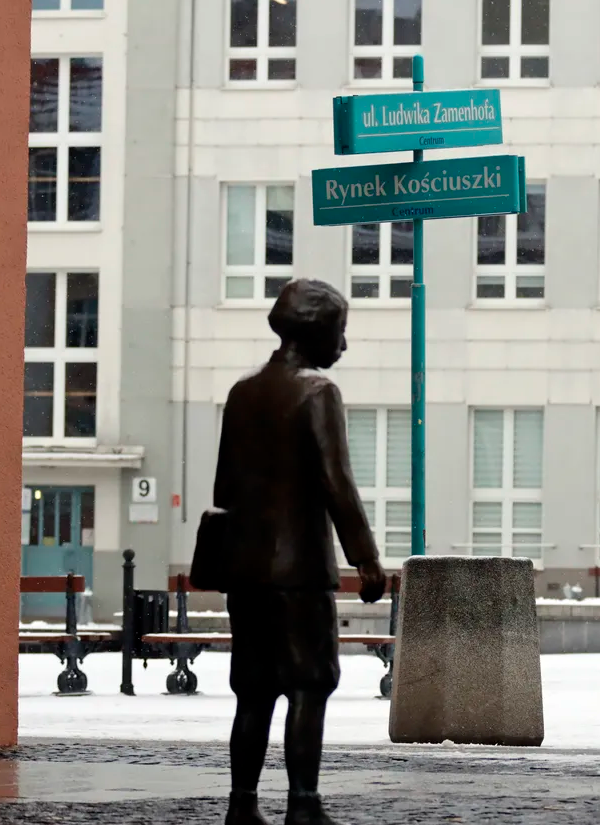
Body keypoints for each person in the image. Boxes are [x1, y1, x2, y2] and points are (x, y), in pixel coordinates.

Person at [215, 278, 386, 825]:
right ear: (316, 333)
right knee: (309, 684)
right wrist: (365, 557)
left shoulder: (243, 393)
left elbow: (223, 488)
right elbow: (337, 481)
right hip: (299, 571)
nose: (344, 344)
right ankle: (303, 805)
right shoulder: (317, 392)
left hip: (247, 569)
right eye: (341, 331)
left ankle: (241, 805)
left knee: (254, 690)